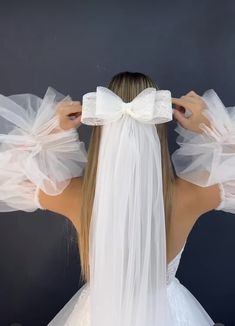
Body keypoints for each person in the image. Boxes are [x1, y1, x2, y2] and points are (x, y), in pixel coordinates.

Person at [0, 71, 234, 325]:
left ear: (101, 124)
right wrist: (213, 128)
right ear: (158, 126)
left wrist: (46, 129)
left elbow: (6, 174)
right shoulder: (192, 194)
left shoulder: (75, 196)